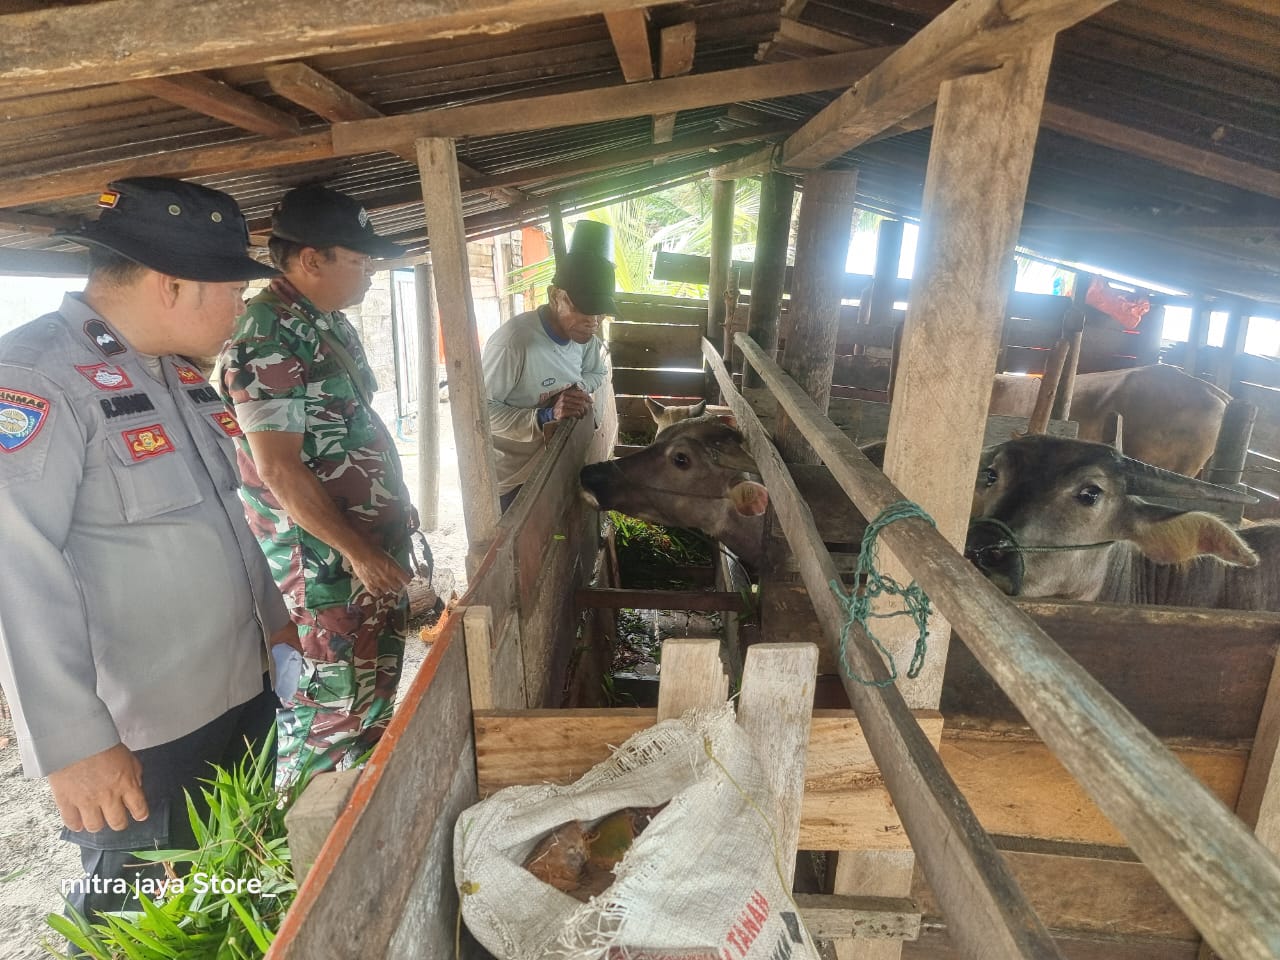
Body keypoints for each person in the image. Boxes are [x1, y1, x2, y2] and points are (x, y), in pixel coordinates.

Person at [0, 177, 289, 924]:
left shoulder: (179, 376)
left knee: (231, 893)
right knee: (140, 921)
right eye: (232, 289)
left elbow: (228, 517)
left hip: (240, 695)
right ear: (174, 285)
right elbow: (14, 565)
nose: (241, 307)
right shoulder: (34, 378)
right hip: (141, 737)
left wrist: (274, 620)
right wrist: (72, 744)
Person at [217, 184, 416, 789]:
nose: (370, 275)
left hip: (361, 551)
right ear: (311, 260)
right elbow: (277, 469)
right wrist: (357, 550)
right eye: (358, 261)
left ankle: (361, 804)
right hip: (323, 562)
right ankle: (309, 838)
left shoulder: (325, 322)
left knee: (373, 684)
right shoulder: (267, 335)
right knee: (329, 706)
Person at [482, 223, 614, 511]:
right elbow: (480, 414)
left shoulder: (584, 337)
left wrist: (577, 389)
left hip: (554, 463)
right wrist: (545, 415)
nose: (593, 322)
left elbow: (597, 372)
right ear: (555, 296)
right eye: (583, 309)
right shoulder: (515, 343)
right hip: (512, 476)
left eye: (599, 313)